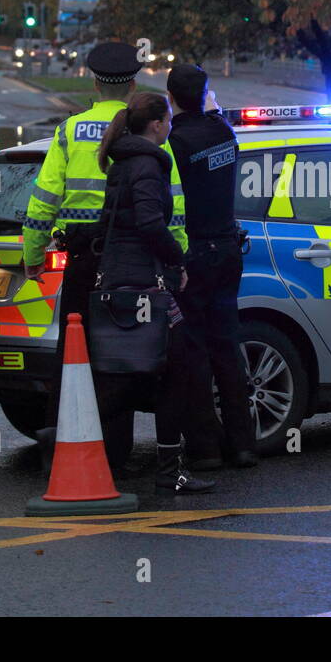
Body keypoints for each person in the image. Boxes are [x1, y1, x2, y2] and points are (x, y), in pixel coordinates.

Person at [22, 42, 188, 469]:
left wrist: (33, 255)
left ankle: (64, 450)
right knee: (125, 356)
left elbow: (42, 202)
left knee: (74, 357)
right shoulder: (148, 135)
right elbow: (174, 210)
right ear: (132, 85)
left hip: (84, 263)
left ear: (94, 83)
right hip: (133, 264)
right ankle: (115, 454)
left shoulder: (70, 130)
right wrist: (177, 260)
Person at [95, 93, 214, 494]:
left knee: (123, 375)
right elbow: (148, 222)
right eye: (167, 121)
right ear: (159, 125)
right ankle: (169, 470)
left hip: (120, 280)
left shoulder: (123, 161)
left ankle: (92, 458)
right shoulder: (147, 164)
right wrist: (177, 261)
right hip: (145, 284)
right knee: (175, 371)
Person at [166, 64, 259, 470]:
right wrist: (210, 102)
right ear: (205, 94)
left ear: (170, 98)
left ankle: (205, 449)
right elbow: (218, 114)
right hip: (227, 251)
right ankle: (242, 446)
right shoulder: (223, 133)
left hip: (195, 253)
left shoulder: (175, 142)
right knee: (227, 347)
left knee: (195, 351)